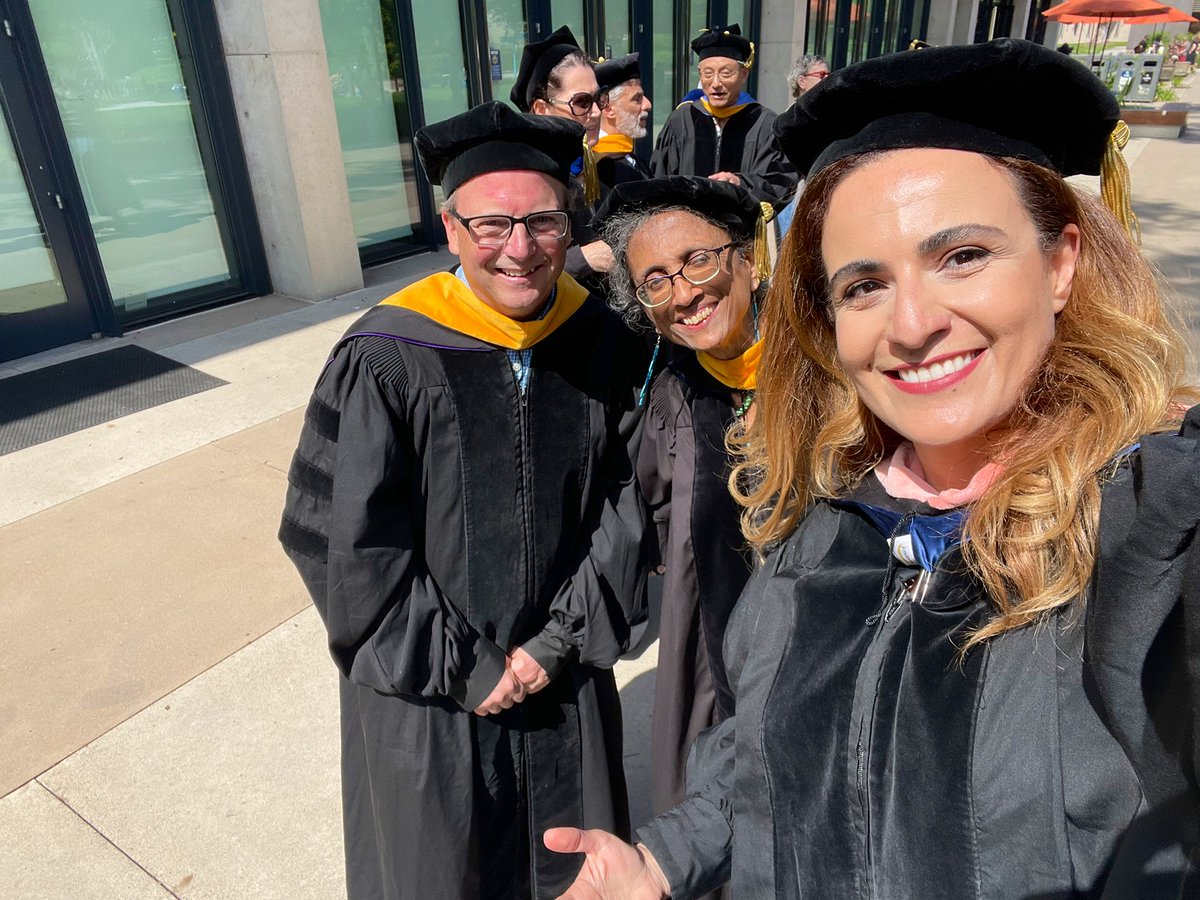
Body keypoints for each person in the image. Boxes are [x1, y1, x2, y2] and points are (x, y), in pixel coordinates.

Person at [544, 38, 1200, 898]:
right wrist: (664, 859)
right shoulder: (817, 533)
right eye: (863, 285)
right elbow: (756, 772)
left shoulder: (1156, 534)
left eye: (962, 255)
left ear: (1061, 262)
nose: (913, 322)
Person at [279, 101, 651, 900]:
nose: (518, 249)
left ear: (568, 225)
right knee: (440, 869)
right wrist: (467, 668)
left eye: (543, 222)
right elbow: (336, 536)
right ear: (451, 231)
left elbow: (627, 510)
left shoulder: (601, 340)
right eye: (491, 224)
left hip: (561, 677)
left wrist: (553, 646)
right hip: (432, 699)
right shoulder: (386, 355)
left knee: (569, 870)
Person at [593, 176, 769, 815]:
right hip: (715, 641)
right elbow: (634, 515)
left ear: (745, 258)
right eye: (655, 280)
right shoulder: (672, 394)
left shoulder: (830, 363)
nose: (685, 292)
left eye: (699, 259)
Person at [512, 25, 615, 289]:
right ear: (542, 109)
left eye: (598, 98)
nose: (595, 112)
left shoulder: (599, 170)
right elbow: (512, 269)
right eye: (581, 102)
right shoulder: (524, 183)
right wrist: (581, 259)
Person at [651, 24, 796, 208]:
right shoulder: (681, 120)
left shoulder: (764, 124)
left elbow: (780, 183)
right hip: (687, 229)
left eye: (726, 73)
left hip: (741, 232)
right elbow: (659, 180)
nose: (716, 83)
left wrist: (740, 184)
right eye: (708, 74)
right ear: (700, 75)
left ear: (744, 75)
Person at [594, 52, 653, 180]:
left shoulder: (635, 161)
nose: (648, 105)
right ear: (608, 107)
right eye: (637, 99)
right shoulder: (595, 169)